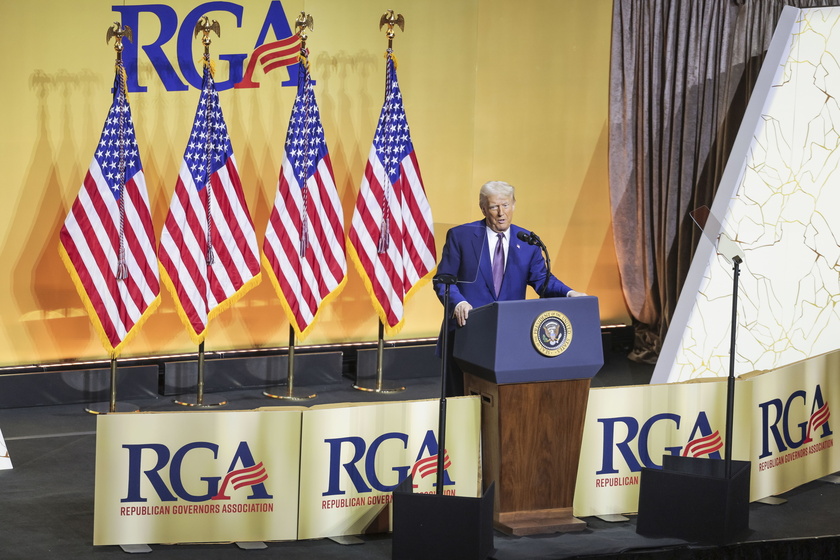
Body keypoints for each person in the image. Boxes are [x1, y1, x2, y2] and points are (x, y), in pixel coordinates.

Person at [433, 180, 586, 396]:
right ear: (483, 208)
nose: (501, 213)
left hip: (508, 336)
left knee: (505, 401)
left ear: (514, 205)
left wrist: (570, 293)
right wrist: (458, 302)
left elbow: (543, 280)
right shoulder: (461, 236)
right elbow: (442, 280)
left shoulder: (527, 242)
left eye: (505, 205)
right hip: (466, 332)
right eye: (494, 207)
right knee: (461, 399)